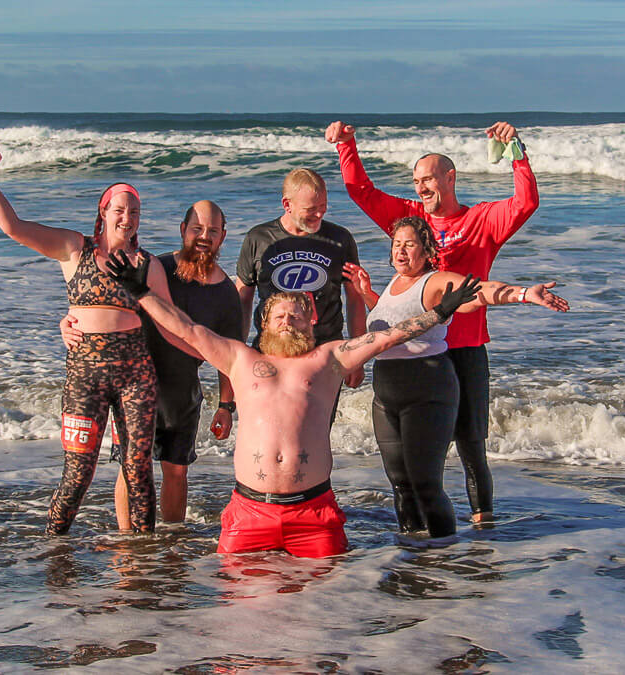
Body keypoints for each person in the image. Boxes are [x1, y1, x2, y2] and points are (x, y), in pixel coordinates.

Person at [105, 250, 485, 557]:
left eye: (297, 316)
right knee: (236, 618)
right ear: (264, 325)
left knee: (322, 620)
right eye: (280, 316)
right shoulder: (240, 358)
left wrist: (440, 312)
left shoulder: (330, 358)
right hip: (249, 512)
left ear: (311, 324)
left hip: (314, 513)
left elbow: (386, 338)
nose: (288, 322)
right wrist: (143, 295)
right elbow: (185, 328)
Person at [325, 120, 539, 523]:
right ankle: (425, 534)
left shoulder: (482, 220)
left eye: (428, 178)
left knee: (471, 446)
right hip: (417, 356)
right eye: (416, 180)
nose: (421, 187)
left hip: (465, 349)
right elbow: (362, 193)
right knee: (423, 458)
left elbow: (525, 204)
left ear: (450, 177)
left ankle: (482, 530)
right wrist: (347, 145)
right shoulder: (410, 221)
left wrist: (517, 154)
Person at [0, 147, 170, 535]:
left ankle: (145, 560)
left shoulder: (148, 264)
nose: (127, 218)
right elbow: (14, 227)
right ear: (104, 212)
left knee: (138, 470)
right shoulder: (74, 249)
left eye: (134, 212)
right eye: (119, 210)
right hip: (85, 378)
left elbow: (171, 325)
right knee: (78, 473)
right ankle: (53, 549)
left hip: (137, 378)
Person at [343, 217, 568, 538]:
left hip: (427, 390)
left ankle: (445, 555)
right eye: (396, 244)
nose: (401, 251)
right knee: (401, 484)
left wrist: (522, 294)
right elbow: (394, 326)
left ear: (427, 251)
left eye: (409, 244)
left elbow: (478, 292)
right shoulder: (393, 284)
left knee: (426, 484)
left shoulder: (434, 282)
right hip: (386, 396)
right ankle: (412, 555)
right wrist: (367, 295)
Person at [60, 200, 242, 524]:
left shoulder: (227, 292)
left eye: (212, 231)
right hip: (134, 383)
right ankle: (127, 541)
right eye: (197, 229)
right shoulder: (153, 268)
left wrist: (226, 407)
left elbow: (230, 353)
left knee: (176, 471)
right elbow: (102, 303)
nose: (204, 236)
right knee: (131, 468)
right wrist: (70, 322)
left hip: (183, 393)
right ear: (183, 230)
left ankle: (171, 542)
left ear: (223, 236)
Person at [235, 168, 367, 391]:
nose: (319, 215)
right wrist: (239, 353)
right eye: (311, 209)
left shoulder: (340, 239)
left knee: (318, 425)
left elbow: (355, 299)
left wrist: (357, 356)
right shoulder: (259, 238)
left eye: (323, 207)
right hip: (272, 352)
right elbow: (242, 299)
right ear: (287, 205)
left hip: (324, 354)